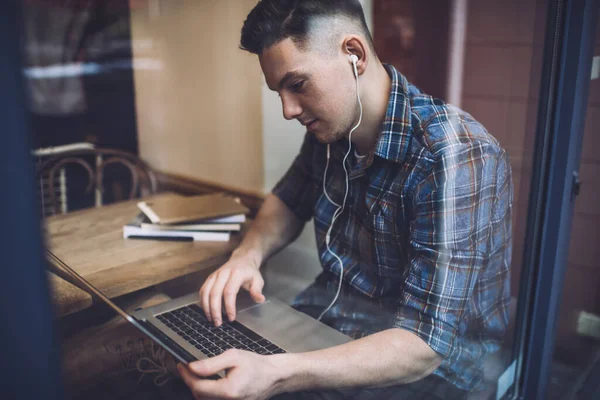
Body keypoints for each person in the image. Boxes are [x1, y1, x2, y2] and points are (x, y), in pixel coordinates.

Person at [178, 1, 513, 399]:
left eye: (297, 84)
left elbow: (425, 345)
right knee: (195, 359)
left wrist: (278, 373)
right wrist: (246, 257)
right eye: (279, 91)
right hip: (329, 324)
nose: (288, 109)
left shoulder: (456, 156)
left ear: (354, 54)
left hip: (428, 373)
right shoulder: (332, 129)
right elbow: (288, 200)